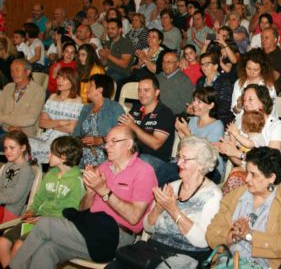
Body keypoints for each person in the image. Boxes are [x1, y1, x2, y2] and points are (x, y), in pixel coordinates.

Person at [9, 126, 157, 268]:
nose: (107, 146)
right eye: (107, 141)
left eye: (114, 141)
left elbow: (134, 217)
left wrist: (104, 191)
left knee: (46, 224)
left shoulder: (144, 171)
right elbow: (82, 209)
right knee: (47, 250)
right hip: (89, 226)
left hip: (117, 235)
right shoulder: (104, 167)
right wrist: (91, 192)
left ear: (129, 144)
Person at [107, 137, 222, 268]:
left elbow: (202, 241)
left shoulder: (212, 196)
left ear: (201, 164)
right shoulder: (172, 186)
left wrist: (173, 210)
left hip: (186, 257)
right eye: (179, 157)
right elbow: (148, 227)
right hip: (153, 251)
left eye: (185, 159)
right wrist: (159, 208)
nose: (178, 163)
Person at [206, 147, 281, 269]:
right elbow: (211, 232)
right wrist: (230, 236)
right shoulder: (237, 195)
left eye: (254, 175)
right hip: (227, 263)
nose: (247, 179)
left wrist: (250, 235)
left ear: (271, 178)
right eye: (247, 172)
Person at [0, 136, 85, 268]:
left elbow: (72, 214)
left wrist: (42, 219)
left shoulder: (76, 181)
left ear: (63, 157)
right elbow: (39, 197)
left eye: (52, 153)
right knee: (3, 242)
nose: (48, 155)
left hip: (52, 226)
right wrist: (31, 211)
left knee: (19, 246)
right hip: (35, 219)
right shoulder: (51, 174)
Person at [218, 85, 281, 194]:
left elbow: (270, 161)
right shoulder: (246, 125)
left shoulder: (276, 125)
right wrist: (229, 150)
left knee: (237, 177)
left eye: (250, 99)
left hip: (271, 177)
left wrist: (238, 154)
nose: (245, 104)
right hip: (249, 173)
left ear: (263, 101)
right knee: (235, 174)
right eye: (244, 100)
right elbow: (239, 162)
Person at [118, 76, 175, 171]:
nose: (141, 94)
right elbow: (123, 133)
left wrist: (133, 126)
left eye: (146, 90)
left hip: (155, 159)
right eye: (139, 90)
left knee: (138, 163)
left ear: (157, 92)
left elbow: (155, 144)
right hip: (133, 154)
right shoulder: (136, 109)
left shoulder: (165, 113)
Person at [29, 68, 83, 163]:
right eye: (58, 77)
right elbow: (42, 123)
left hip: (63, 141)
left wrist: (51, 124)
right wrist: (61, 122)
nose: (59, 81)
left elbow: (70, 129)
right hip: (46, 136)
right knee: (24, 142)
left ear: (73, 82)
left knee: (30, 147)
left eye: (64, 79)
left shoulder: (77, 100)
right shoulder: (52, 97)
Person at [73, 74, 124, 167]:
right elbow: (76, 133)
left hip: (106, 151)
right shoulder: (86, 108)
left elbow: (122, 134)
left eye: (91, 85)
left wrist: (101, 140)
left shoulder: (115, 108)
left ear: (100, 89)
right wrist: (80, 142)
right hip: (83, 150)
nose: (87, 89)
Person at [0, 59, 45, 136]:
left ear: (28, 72)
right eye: (12, 71)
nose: (14, 74)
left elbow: (30, 119)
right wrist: (8, 127)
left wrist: (3, 118)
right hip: (4, 129)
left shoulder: (38, 91)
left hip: (23, 134)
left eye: (17, 70)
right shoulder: (8, 87)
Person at [231, 48, 277, 117]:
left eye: (256, 70)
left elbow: (271, 113)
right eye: (248, 68)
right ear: (244, 67)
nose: (251, 72)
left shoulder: (268, 85)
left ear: (262, 69)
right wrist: (239, 105)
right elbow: (235, 113)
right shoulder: (239, 83)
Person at [0, 131, 35, 220]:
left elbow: (14, 198)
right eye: (6, 148)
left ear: (23, 147)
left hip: (11, 211)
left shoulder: (26, 170)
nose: (8, 151)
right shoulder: (8, 165)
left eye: (12, 148)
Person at [196, 52, 235, 126]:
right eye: (202, 64)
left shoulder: (224, 82)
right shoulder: (200, 81)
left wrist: (206, 112)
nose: (203, 67)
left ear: (216, 66)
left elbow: (225, 107)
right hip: (202, 117)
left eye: (207, 64)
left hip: (219, 121)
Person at [156, 51, 194, 116]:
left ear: (177, 64)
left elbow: (184, 104)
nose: (165, 65)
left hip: (172, 116)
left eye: (169, 62)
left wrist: (162, 112)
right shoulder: (157, 78)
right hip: (154, 113)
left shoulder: (184, 81)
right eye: (164, 62)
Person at [260, 26, 281, 94]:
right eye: (262, 37)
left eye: (266, 38)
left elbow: (274, 77)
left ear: (275, 40)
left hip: (270, 88)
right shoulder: (258, 53)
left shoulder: (280, 55)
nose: (263, 40)